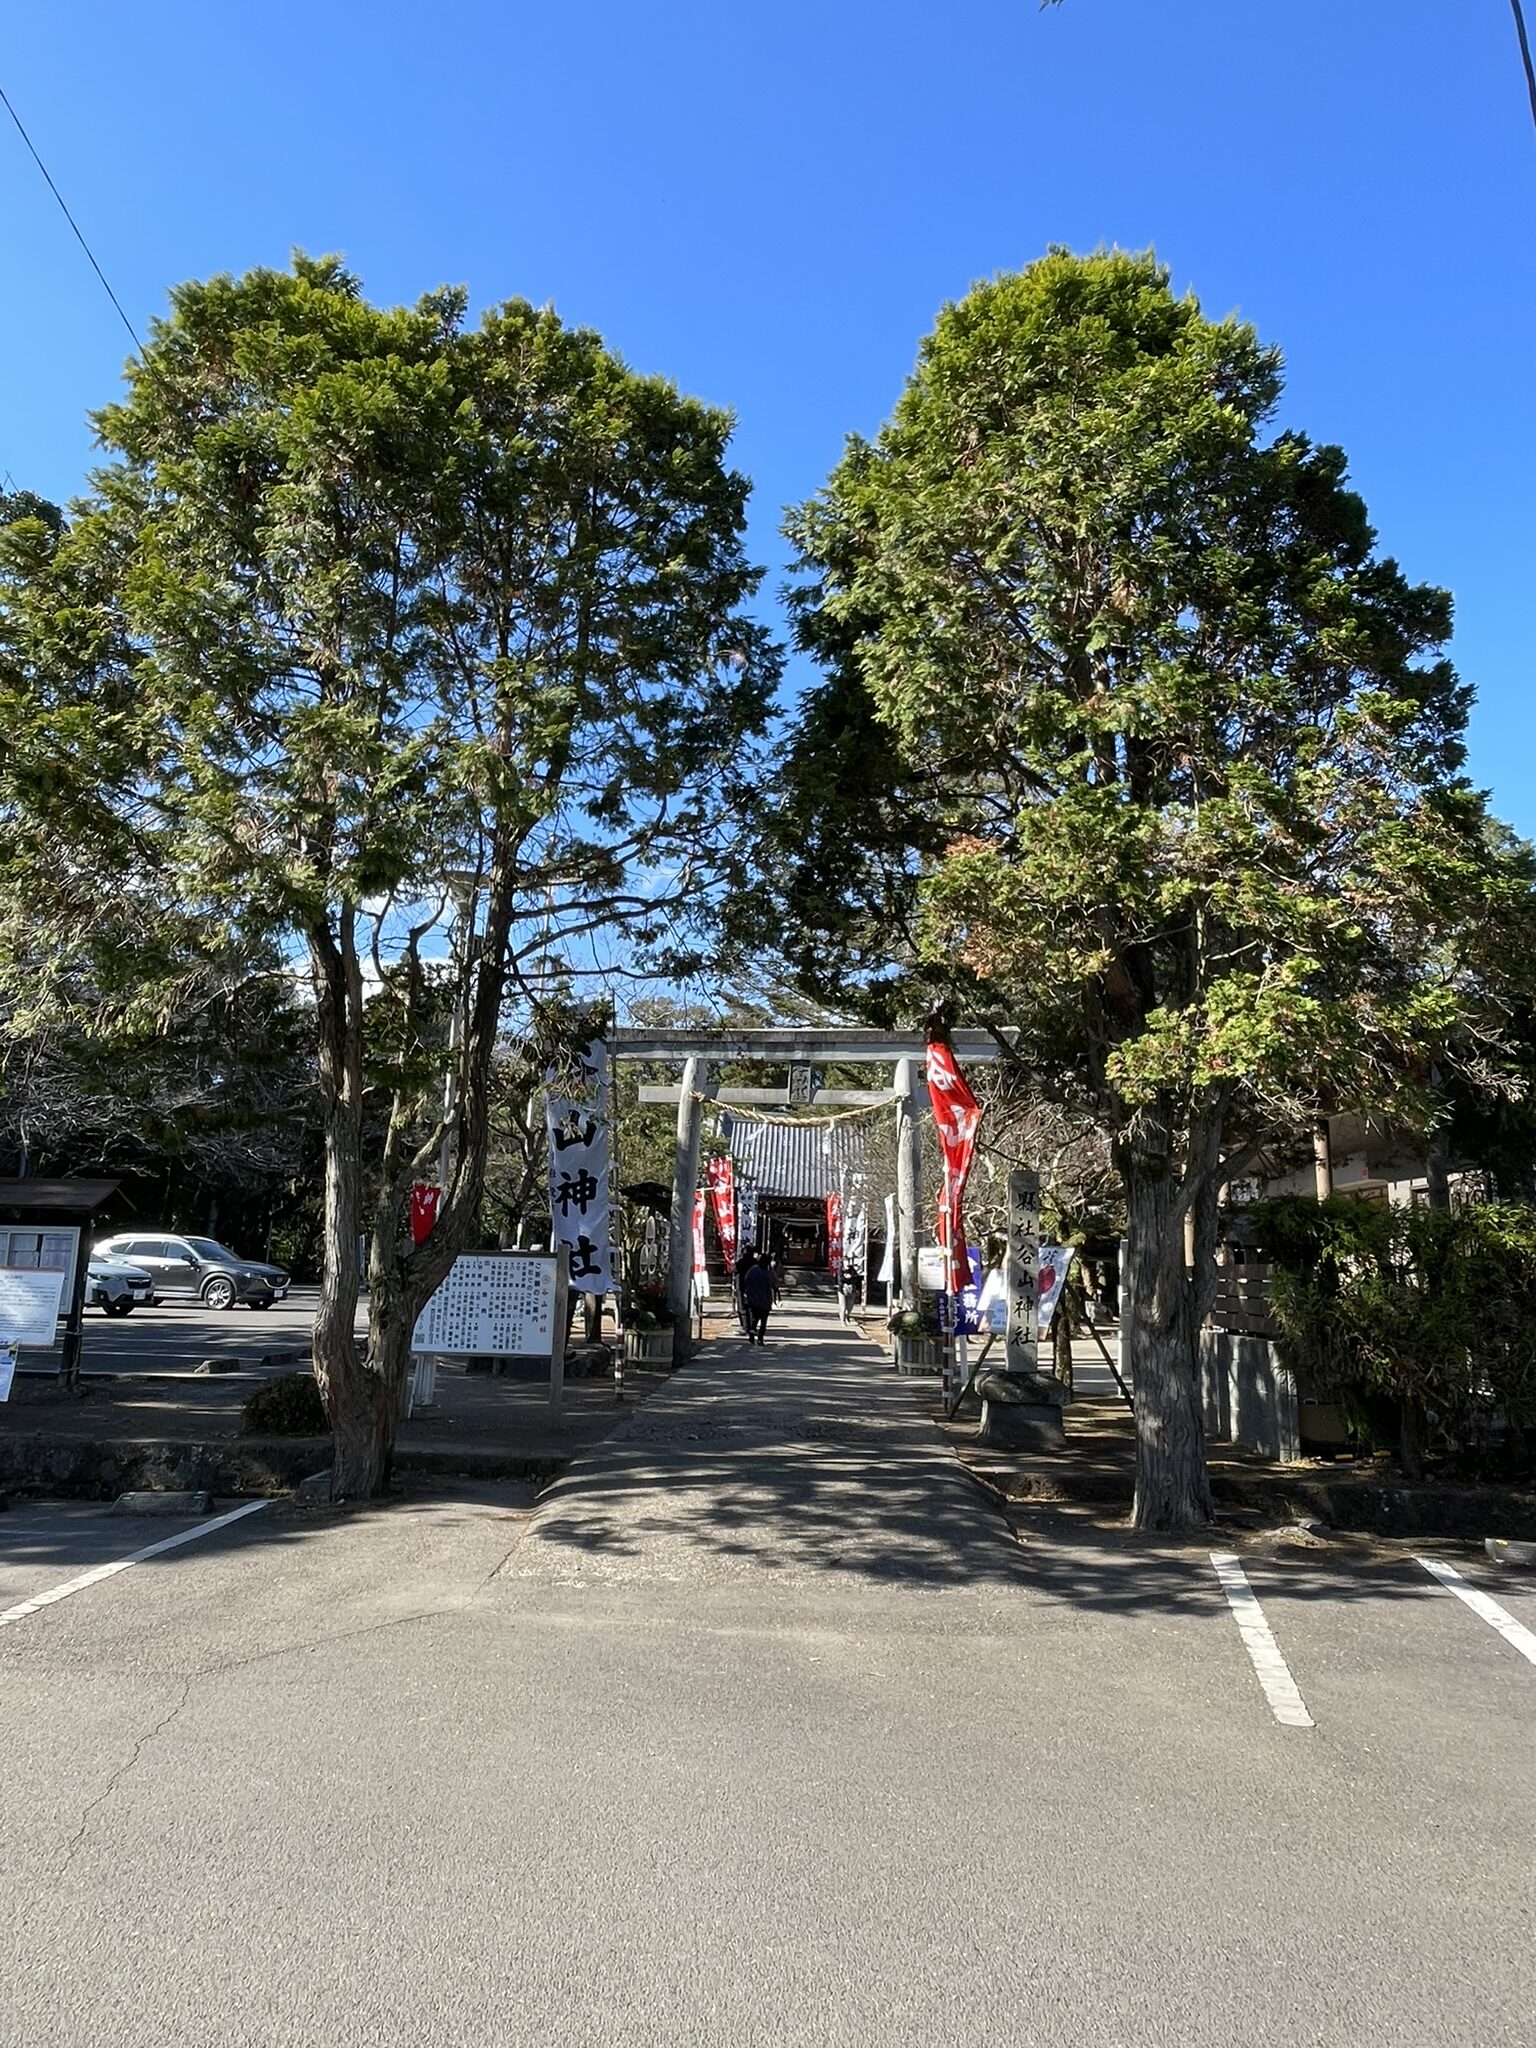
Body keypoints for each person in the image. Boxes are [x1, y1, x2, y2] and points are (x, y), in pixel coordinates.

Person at [742, 1252, 776, 1346]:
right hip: (765, 1299)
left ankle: (752, 1335)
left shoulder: (753, 1270)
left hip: (753, 1298)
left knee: (755, 1317)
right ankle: (760, 1339)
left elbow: (746, 1280)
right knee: (763, 1320)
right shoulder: (768, 1272)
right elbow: (774, 1284)